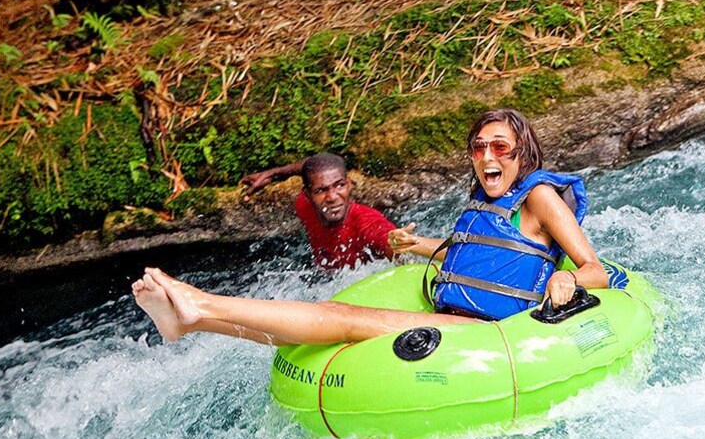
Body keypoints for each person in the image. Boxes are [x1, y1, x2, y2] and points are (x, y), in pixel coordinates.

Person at [133, 109, 608, 346]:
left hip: (489, 336)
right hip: (463, 319)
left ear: (522, 153)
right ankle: (196, 323)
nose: (487, 157)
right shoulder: (486, 201)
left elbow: (594, 270)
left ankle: (200, 303)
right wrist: (421, 244)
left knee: (338, 315)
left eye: (500, 147)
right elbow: (487, 262)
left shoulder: (539, 198)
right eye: (478, 147)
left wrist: (566, 277)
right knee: (335, 317)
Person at [240, 153, 396, 270]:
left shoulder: (365, 221)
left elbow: (395, 246)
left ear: (349, 185)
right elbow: (311, 165)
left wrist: (400, 244)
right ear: (308, 194)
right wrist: (274, 174)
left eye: (340, 185)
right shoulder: (304, 206)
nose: (332, 197)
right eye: (321, 190)